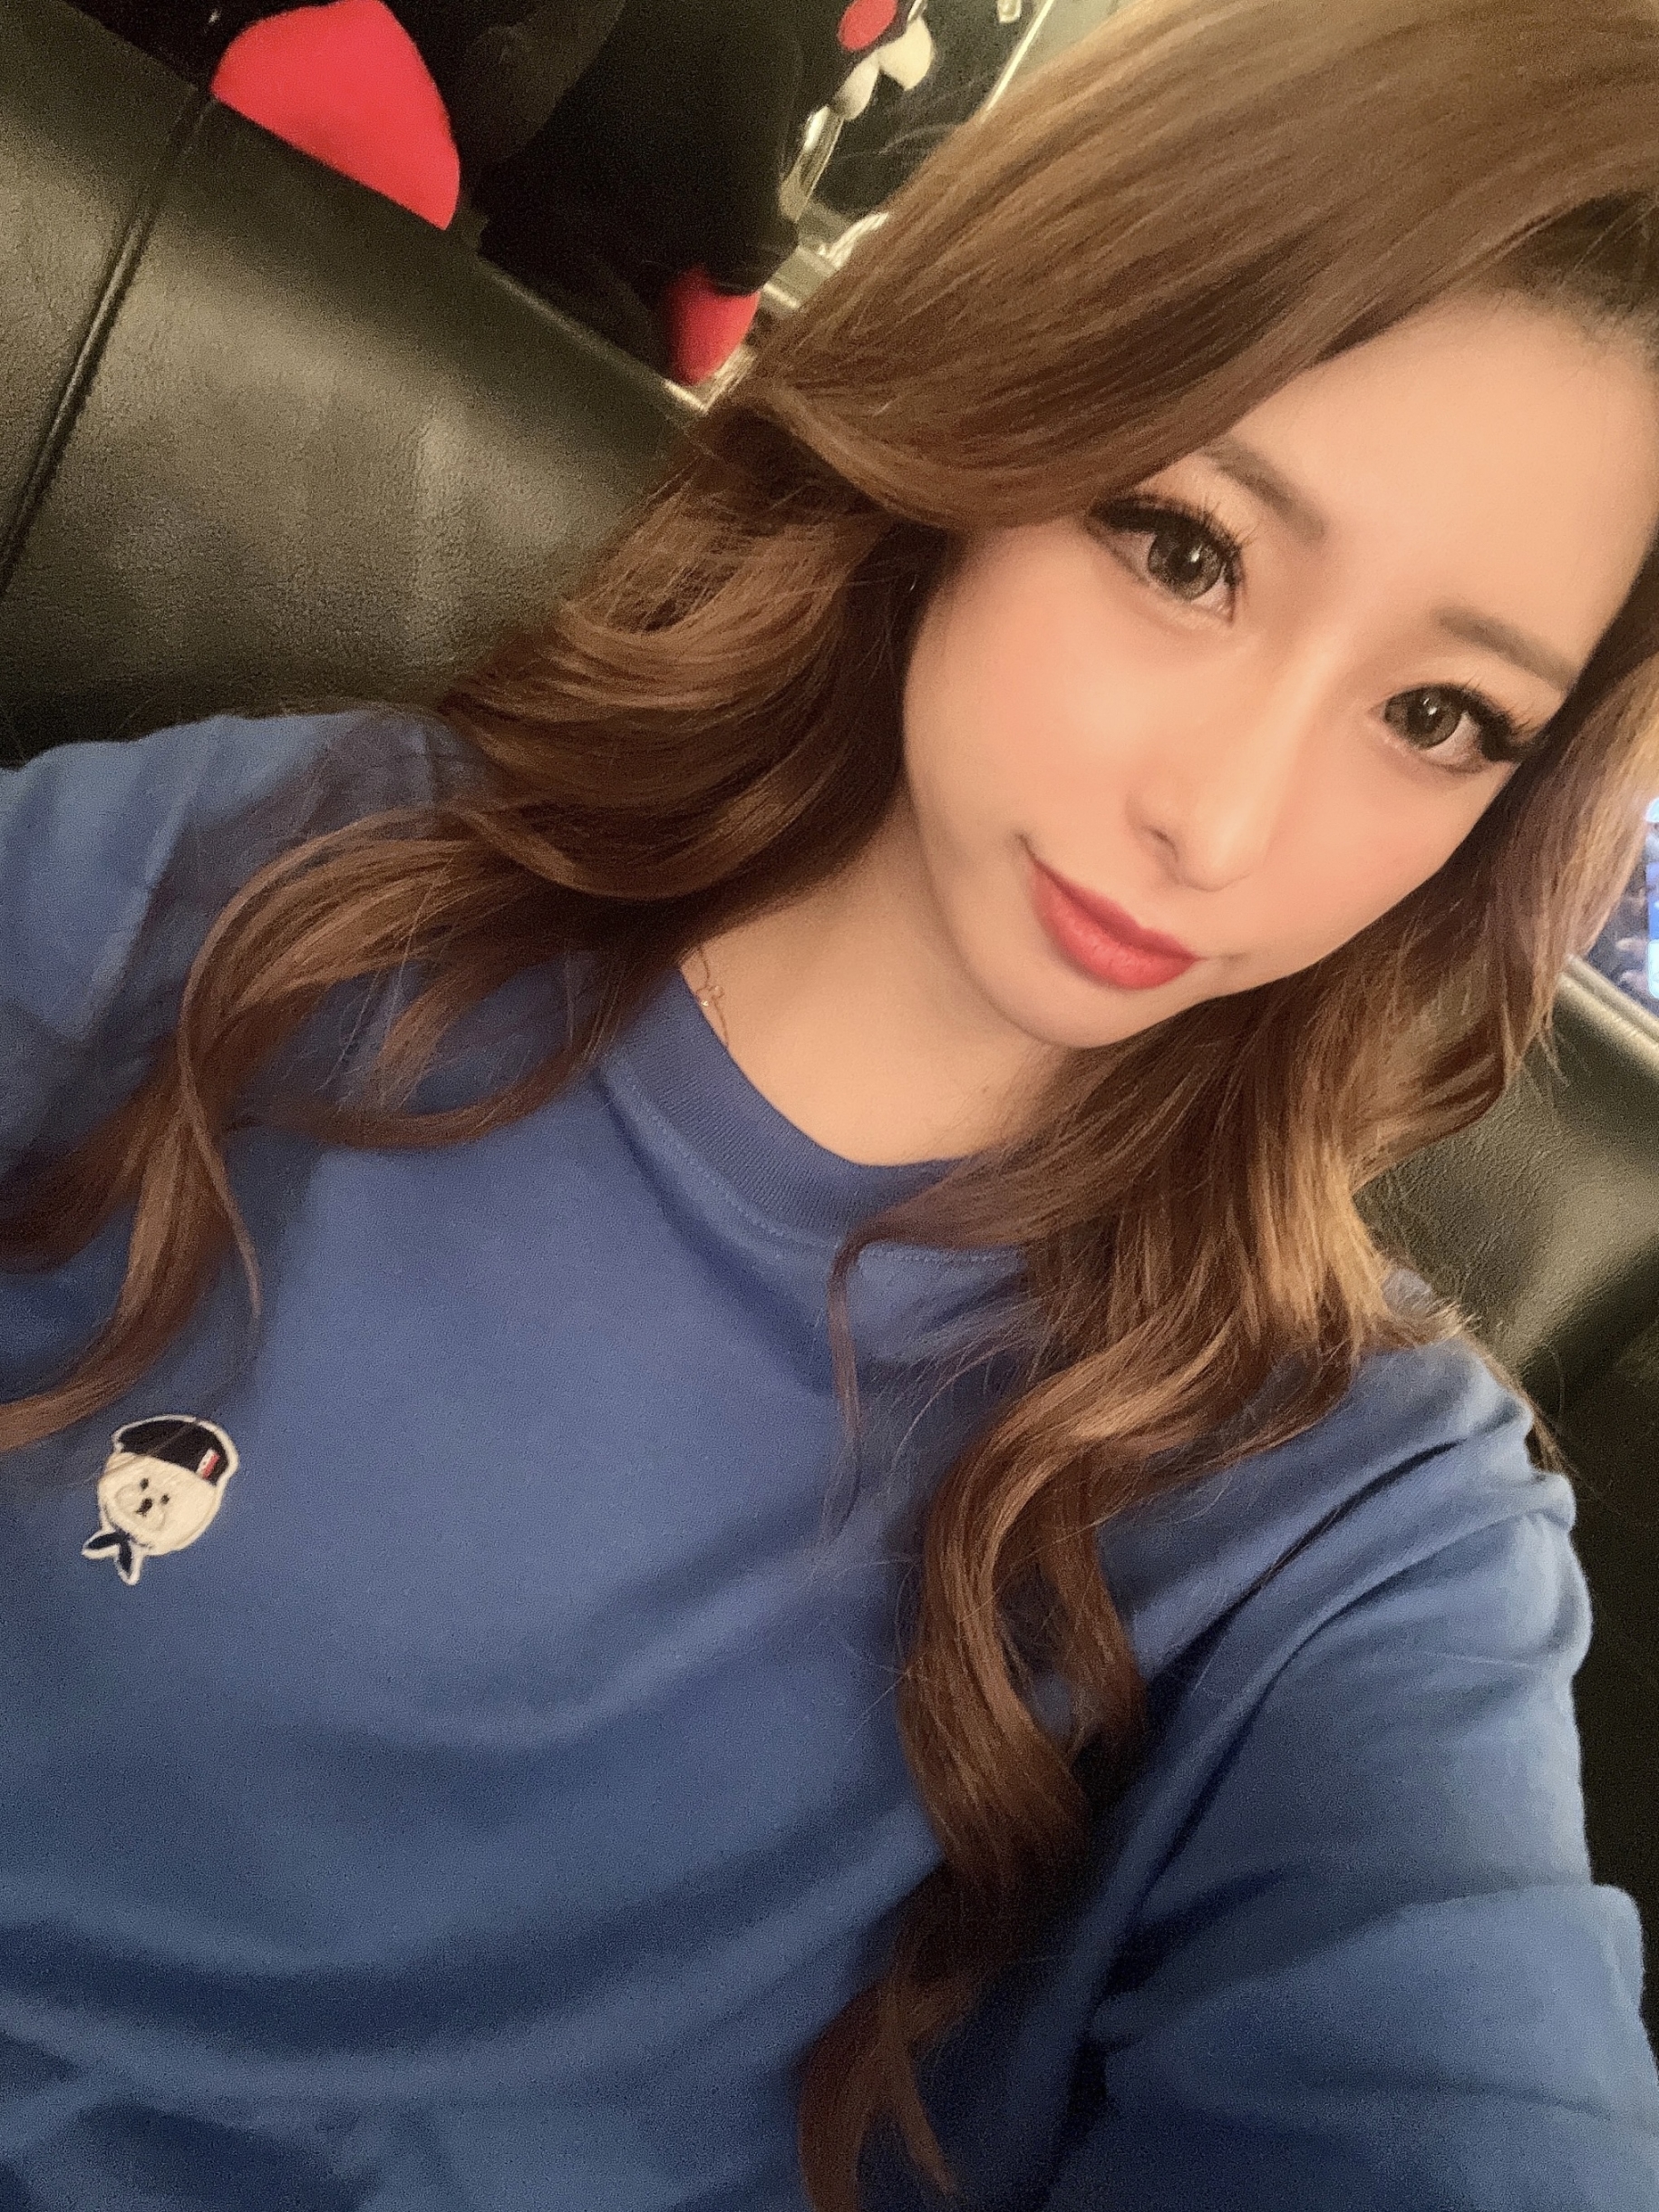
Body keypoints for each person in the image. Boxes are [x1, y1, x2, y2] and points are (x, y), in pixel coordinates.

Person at [3, 0, 1659, 2204]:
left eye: (1441, 712)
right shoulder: (273, 885)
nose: (1227, 820)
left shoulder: (1344, 1525)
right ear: (994, 414)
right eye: (1184, 548)